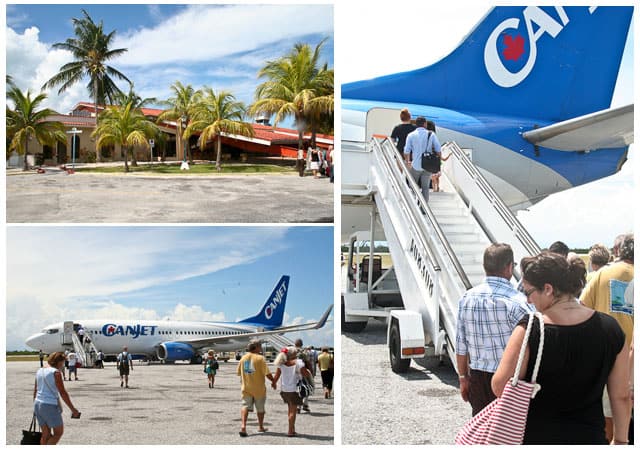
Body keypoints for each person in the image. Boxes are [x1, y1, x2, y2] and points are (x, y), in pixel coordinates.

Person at [492, 252, 630, 444]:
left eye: (528, 292)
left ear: (548, 289)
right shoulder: (611, 328)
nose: (528, 301)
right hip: (590, 437)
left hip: (535, 436)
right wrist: (621, 440)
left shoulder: (530, 328)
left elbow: (500, 386)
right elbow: (621, 396)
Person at [455, 242, 533, 416]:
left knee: (481, 430)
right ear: (509, 267)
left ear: (485, 267)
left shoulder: (467, 298)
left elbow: (461, 344)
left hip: (477, 376)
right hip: (509, 380)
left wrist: (463, 378)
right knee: (509, 432)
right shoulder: (519, 303)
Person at [580, 233, 634, 442]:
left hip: (605, 357)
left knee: (608, 418)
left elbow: (583, 307)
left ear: (619, 251)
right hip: (632, 357)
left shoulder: (602, 274)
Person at [33, 351, 81, 445]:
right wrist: (73, 409)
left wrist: (35, 407)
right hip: (49, 405)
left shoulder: (40, 370)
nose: (63, 364)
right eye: (63, 362)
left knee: (45, 434)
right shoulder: (56, 373)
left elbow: (35, 390)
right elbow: (62, 393)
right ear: (59, 362)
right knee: (58, 433)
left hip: (38, 403)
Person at [236, 340, 275, 437]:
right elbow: (267, 373)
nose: (261, 348)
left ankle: (243, 426)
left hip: (246, 387)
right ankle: (260, 426)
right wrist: (273, 381)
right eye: (260, 346)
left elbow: (238, 373)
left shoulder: (243, 358)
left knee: (245, 406)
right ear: (256, 347)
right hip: (259, 388)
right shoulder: (260, 358)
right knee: (260, 408)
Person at [271, 346, 312, 437]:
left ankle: (292, 429)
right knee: (293, 411)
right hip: (294, 390)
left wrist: (273, 384)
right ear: (293, 354)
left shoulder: (281, 364)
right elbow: (306, 374)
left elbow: (276, 376)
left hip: (284, 390)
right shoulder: (298, 363)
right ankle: (290, 430)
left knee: (290, 410)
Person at [404, 116, 441, 203]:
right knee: (425, 187)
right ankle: (424, 209)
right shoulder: (431, 134)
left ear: (416, 125)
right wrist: (438, 162)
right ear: (425, 124)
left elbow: (406, 151)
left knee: (412, 186)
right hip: (427, 166)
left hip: (415, 165)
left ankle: (413, 204)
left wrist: (408, 162)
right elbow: (438, 149)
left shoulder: (411, 135)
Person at [426, 120, 450, 192]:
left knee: (433, 178)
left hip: (429, 161)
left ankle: (435, 189)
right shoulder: (434, 136)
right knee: (435, 178)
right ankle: (436, 188)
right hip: (435, 163)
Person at [294, 338, 313, 413]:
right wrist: (311, 371)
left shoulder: (291, 351)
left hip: (294, 372)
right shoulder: (304, 352)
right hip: (303, 371)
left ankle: (298, 406)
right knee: (306, 387)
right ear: (302, 344)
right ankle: (305, 404)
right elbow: (308, 362)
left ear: (295, 344)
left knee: (296, 389)